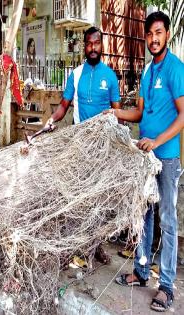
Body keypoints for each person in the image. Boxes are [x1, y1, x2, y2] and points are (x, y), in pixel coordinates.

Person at [112, 12, 184, 312]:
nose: (153, 39)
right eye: (149, 34)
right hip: (145, 159)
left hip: (165, 159)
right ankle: (142, 272)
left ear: (166, 34)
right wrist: (113, 114)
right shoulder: (147, 72)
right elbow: (140, 114)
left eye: (158, 33)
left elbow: (183, 115)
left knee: (167, 221)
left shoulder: (175, 68)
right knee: (143, 217)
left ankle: (166, 287)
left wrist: (157, 141)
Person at [28, 26, 121, 138]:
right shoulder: (76, 74)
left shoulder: (110, 75)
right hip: (79, 138)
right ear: (84, 46)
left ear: (102, 45)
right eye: (89, 44)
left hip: (103, 138)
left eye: (96, 43)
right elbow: (63, 106)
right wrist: (51, 120)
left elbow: (117, 111)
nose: (93, 48)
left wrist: (122, 137)